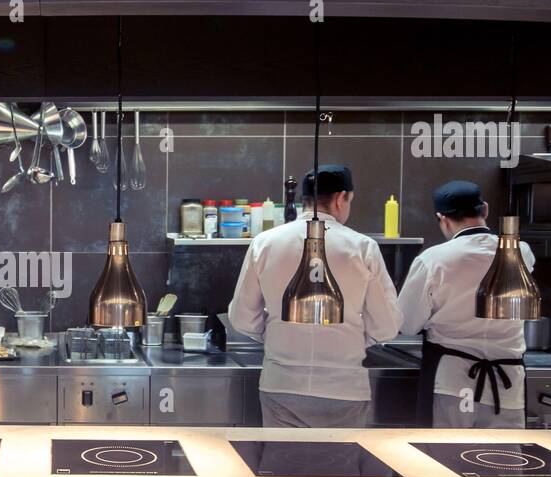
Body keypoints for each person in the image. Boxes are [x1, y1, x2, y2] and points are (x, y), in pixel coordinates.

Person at [229, 164, 403, 428]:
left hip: (282, 384)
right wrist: (351, 335)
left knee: (283, 464)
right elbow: (387, 326)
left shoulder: (265, 243)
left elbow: (242, 317)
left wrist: (277, 331)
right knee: (339, 466)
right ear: (340, 198)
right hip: (344, 388)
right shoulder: (363, 247)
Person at [397, 180, 534, 428]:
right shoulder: (521, 252)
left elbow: (406, 324)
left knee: (448, 459)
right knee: (504, 462)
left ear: (443, 218)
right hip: (508, 383)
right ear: (485, 209)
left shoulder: (434, 259)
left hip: (453, 381)